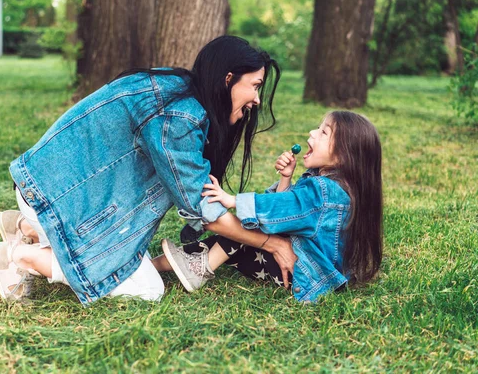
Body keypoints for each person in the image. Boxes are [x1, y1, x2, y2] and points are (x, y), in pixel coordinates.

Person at [0, 35, 296, 304]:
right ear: (228, 78)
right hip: (56, 197)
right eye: (254, 85)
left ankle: (30, 227)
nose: (256, 99)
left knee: (134, 263)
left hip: (45, 186)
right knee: (147, 289)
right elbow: (204, 210)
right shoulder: (180, 119)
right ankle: (19, 257)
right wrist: (273, 243)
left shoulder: (175, 88)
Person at [154, 111, 383, 303]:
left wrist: (233, 201)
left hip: (301, 273)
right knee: (240, 234)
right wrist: (286, 179)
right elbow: (292, 215)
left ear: (344, 155)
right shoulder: (335, 188)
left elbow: (278, 212)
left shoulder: (326, 192)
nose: (312, 133)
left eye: (323, 132)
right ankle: (160, 266)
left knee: (246, 228)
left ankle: (195, 267)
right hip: (306, 266)